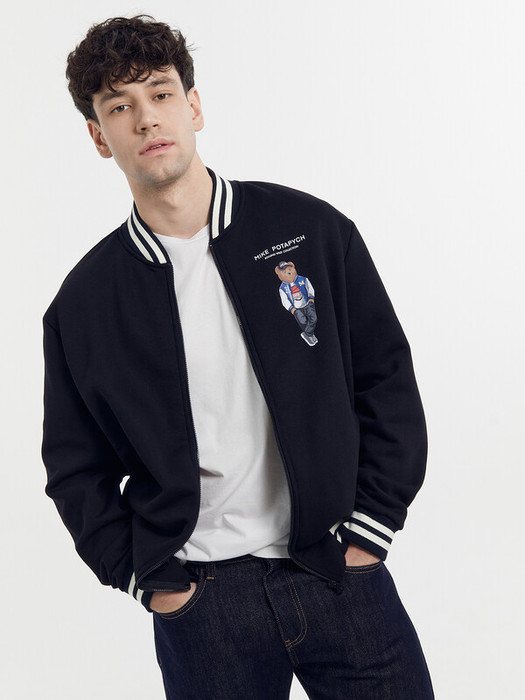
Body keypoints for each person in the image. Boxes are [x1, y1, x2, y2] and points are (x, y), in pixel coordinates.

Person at [41, 14, 434, 699]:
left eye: (161, 93)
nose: (146, 118)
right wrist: (149, 582)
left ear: (193, 106)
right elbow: (76, 470)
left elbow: (385, 379)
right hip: (204, 604)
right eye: (119, 107)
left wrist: (369, 532)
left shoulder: (308, 230)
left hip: (337, 570)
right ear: (99, 137)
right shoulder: (85, 304)